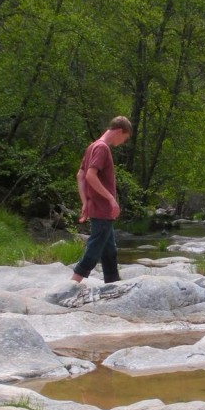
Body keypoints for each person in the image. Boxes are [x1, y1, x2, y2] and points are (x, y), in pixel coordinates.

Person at [71, 115, 133, 285]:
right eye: (124, 138)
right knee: (94, 249)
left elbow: (80, 175)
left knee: (109, 251)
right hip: (103, 209)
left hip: (97, 207)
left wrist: (85, 202)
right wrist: (111, 199)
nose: (123, 142)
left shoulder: (92, 146)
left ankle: (112, 283)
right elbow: (90, 175)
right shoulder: (102, 148)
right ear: (120, 131)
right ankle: (72, 284)